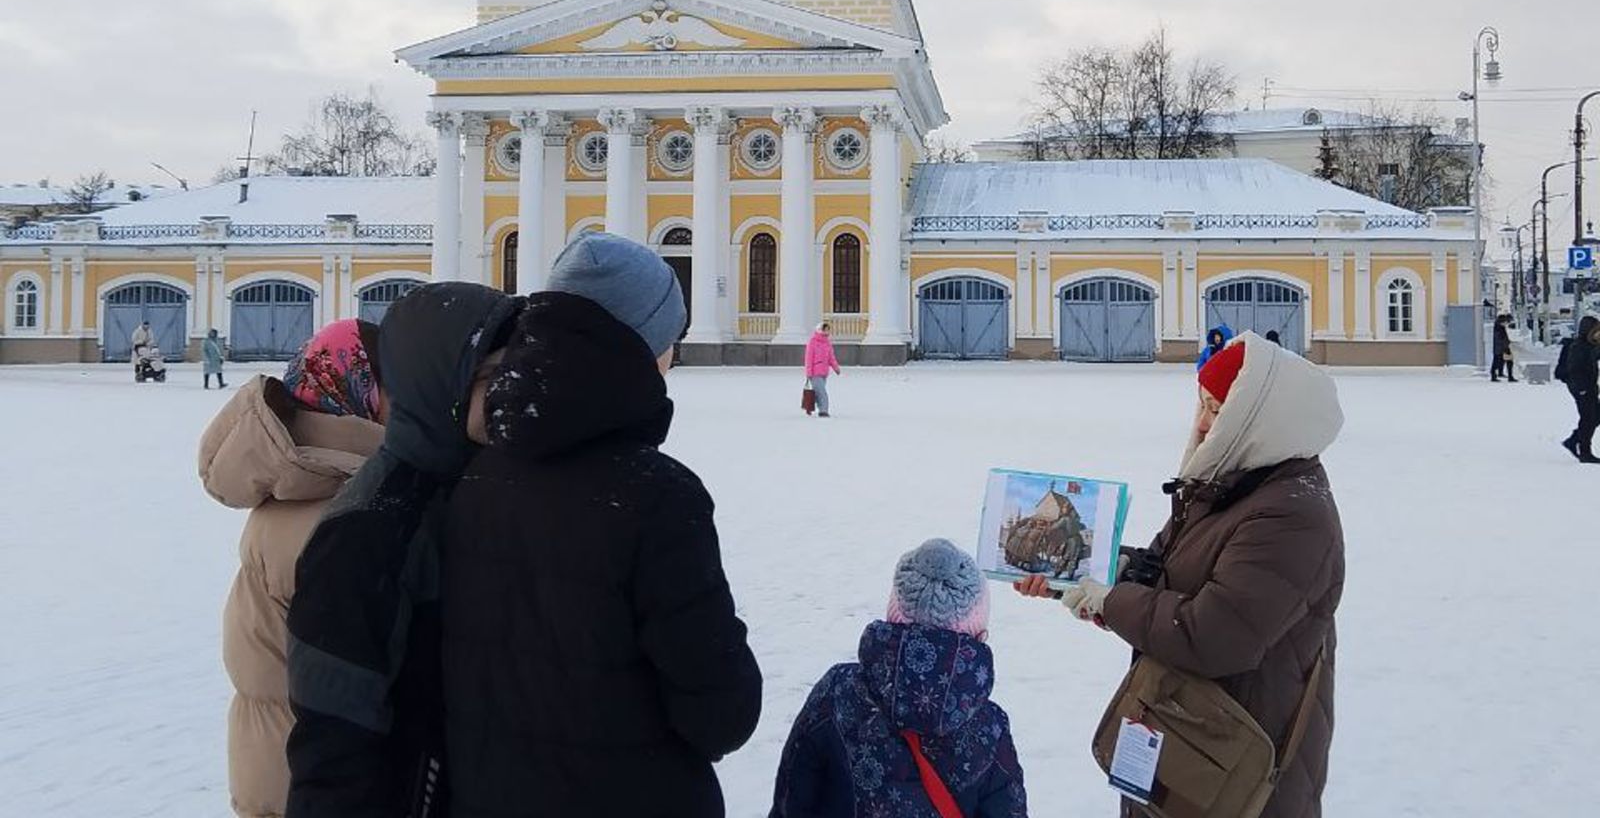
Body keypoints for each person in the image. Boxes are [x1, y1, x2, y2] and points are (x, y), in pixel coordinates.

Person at [443, 233, 761, 818]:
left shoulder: (475, 473)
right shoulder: (658, 499)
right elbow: (720, 712)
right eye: (669, 337)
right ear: (642, 345)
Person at [1018, 332, 1344, 818]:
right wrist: (1084, 569)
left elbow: (1212, 636)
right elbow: (1167, 571)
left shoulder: (1290, 516)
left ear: (1259, 418)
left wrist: (1110, 600)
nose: (1205, 423)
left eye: (1219, 410)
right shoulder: (1233, 482)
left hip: (1236, 771)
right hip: (1186, 738)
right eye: (1202, 405)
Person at [284, 282, 524, 818]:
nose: (510, 392)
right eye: (491, 377)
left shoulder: (481, 487)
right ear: (439, 383)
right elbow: (333, 748)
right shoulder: (367, 527)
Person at [198, 320, 386, 818]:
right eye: (393, 384)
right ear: (356, 387)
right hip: (303, 786)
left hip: (279, 771)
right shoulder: (333, 507)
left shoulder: (307, 477)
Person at [770, 539, 1027, 818]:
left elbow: (790, 802)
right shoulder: (989, 726)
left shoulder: (836, 692)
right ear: (976, 635)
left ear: (894, 615)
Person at [1558, 315, 1600, 463]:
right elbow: (1575, 369)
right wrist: (1582, 389)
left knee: (1595, 416)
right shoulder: (1578, 347)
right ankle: (1585, 452)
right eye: (1596, 331)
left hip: (1589, 387)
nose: (1598, 334)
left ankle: (1573, 440)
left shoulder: (1590, 345)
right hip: (1581, 388)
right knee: (1588, 419)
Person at [804, 321, 843, 417]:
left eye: (828, 330)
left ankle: (809, 407)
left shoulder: (827, 343)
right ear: (820, 330)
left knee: (818, 392)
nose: (827, 332)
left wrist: (836, 368)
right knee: (822, 393)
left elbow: (831, 358)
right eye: (825, 330)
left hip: (824, 372)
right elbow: (808, 358)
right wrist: (808, 372)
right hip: (814, 373)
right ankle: (823, 411)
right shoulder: (812, 342)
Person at [1491, 314, 1516, 382]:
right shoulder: (1499, 328)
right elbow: (1501, 339)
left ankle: (1498, 374)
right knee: (1502, 362)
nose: (1507, 323)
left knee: (1500, 362)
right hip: (1502, 348)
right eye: (1506, 322)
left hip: (1500, 348)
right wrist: (1506, 346)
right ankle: (1496, 376)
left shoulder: (1499, 327)